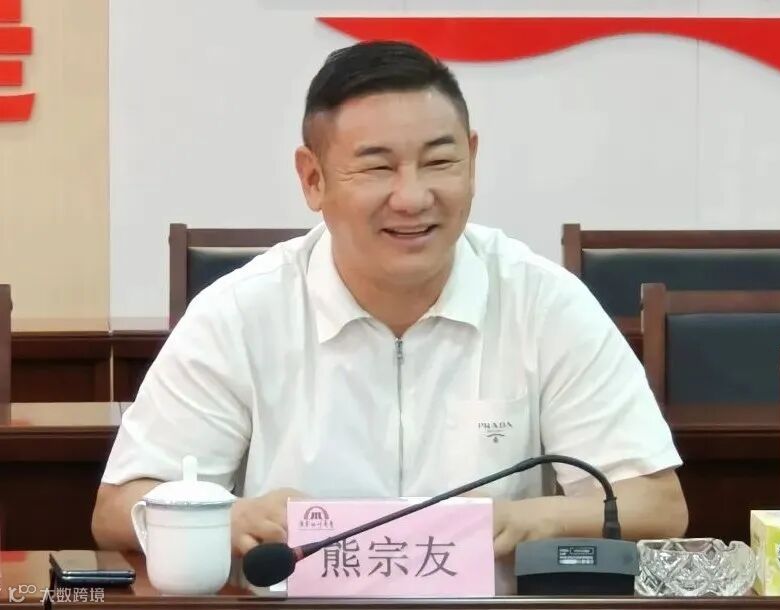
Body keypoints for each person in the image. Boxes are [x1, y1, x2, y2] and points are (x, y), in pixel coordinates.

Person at [92, 41, 687, 572]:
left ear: (472, 160)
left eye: (439, 162)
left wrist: (528, 519)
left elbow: (658, 505)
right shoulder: (241, 312)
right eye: (378, 167)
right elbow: (119, 507)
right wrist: (233, 518)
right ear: (313, 178)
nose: (413, 196)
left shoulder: (544, 302)